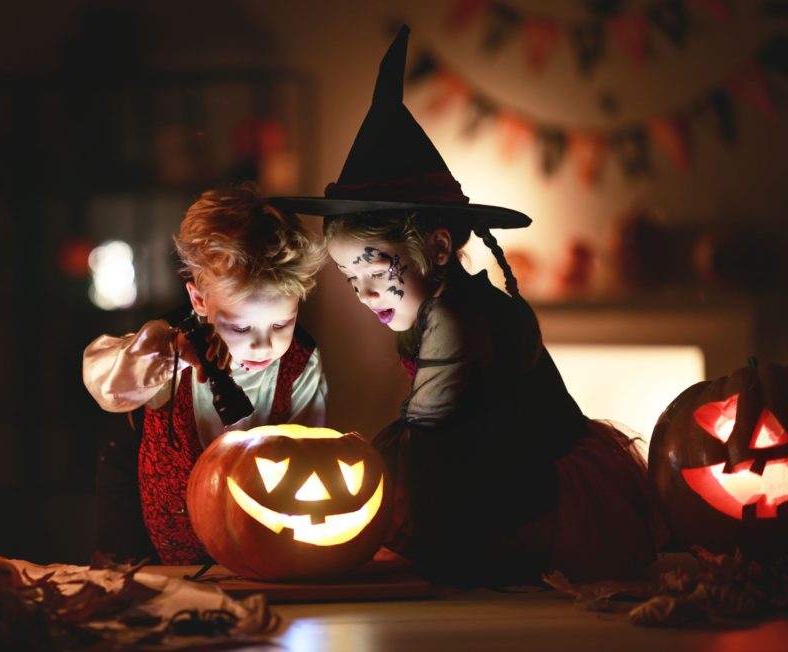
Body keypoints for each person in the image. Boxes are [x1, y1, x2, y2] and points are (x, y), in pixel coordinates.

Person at [272, 26, 665, 583]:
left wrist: (340, 469)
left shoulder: (457, 318)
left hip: (544, 498)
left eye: (374, 266)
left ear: (435, 247)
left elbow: (424, 438)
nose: (363, 292)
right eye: (347, 275)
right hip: (501, 468)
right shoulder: (439, 306)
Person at [83, 183, 328, 565]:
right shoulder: (166, 347)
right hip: (142, 525)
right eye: (242, 329)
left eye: (282, 324)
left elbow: (312, 453)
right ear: (199, 299)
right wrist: (165, 354)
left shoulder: (301, 362)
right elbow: (106, 384)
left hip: (253, 540)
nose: (264, 345)